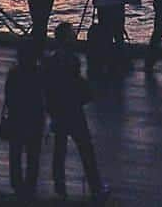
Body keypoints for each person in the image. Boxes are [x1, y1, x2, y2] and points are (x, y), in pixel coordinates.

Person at [42, 22, 108, 202]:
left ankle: (59, 185)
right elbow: (77, 85)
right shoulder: (72, 60)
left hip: (59, 110)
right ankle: (96, 186)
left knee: (60, 148)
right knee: (86, 148)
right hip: (73, 110)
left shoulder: (51, 61)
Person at [2, 38, 46, 200]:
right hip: (34, 117)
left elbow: (8, 97)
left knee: (15, 152)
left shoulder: (13, 73)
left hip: (16, 116)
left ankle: (17, 184)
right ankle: (30, 185)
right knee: (33, 154)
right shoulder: (39, 73)